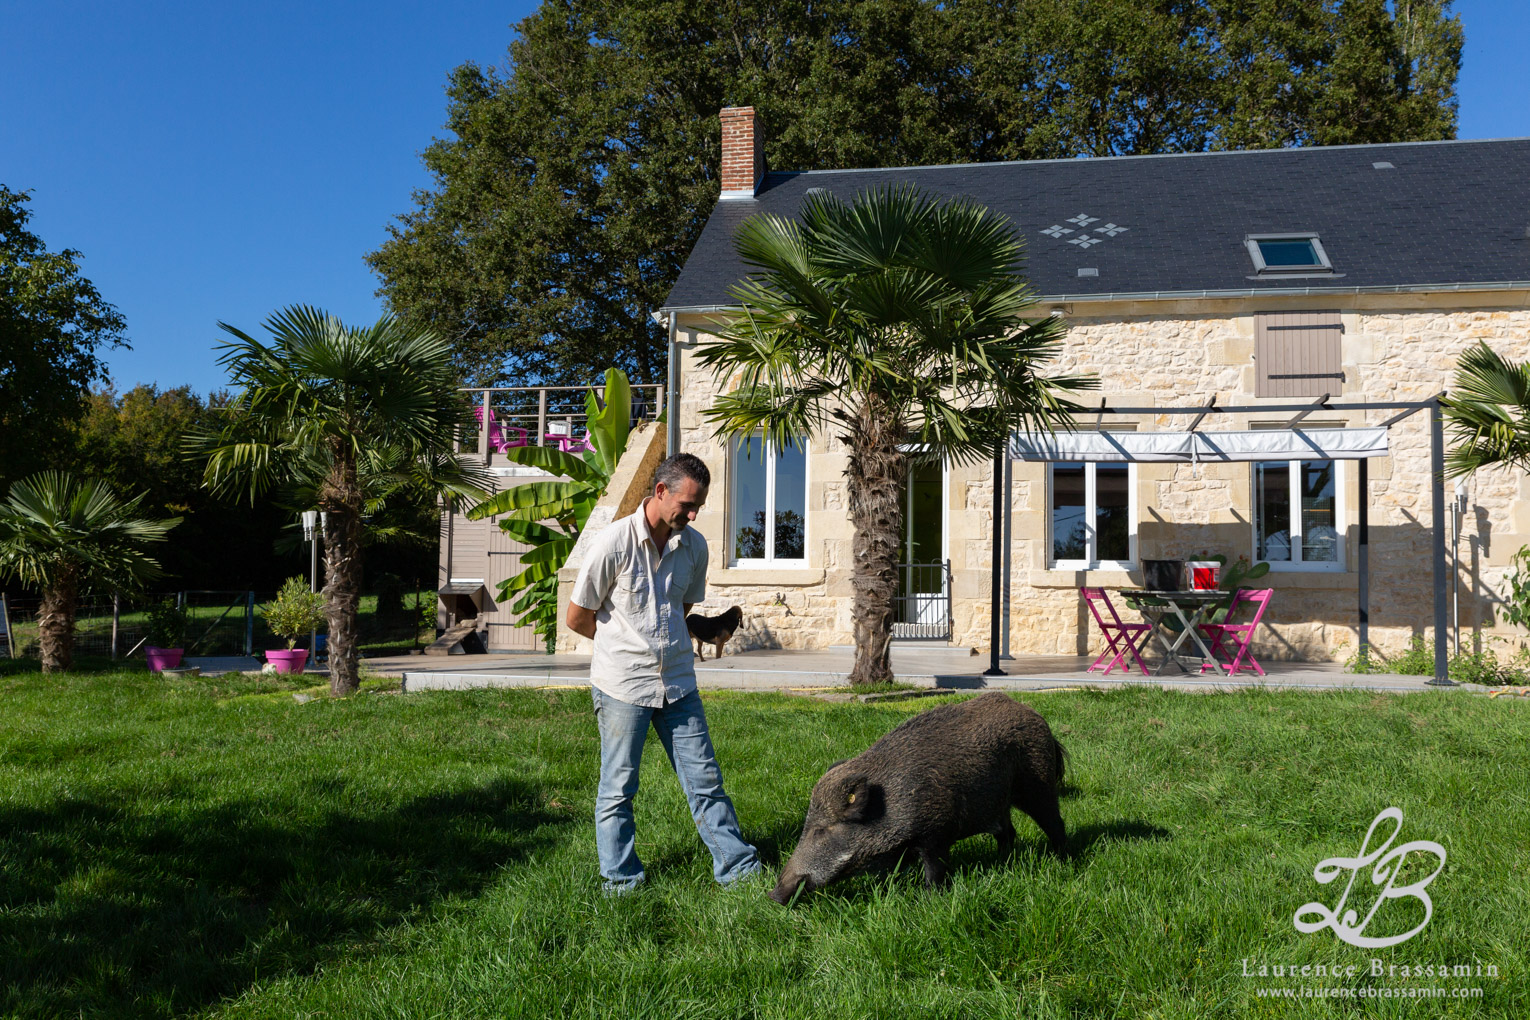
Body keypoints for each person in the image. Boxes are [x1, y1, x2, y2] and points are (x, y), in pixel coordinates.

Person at [566, 453, 762, 893]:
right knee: (618, 790)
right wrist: (624, 650)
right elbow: (577, 616)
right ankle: (621, 883)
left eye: (699, 506)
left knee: (706, 781)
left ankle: (738, 871)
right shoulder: (613, 543)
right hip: (622, 686)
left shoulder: (694, 546)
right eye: (687, 505)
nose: (693, 515)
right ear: (660, 492)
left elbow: (683, 607)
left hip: (678, 682)